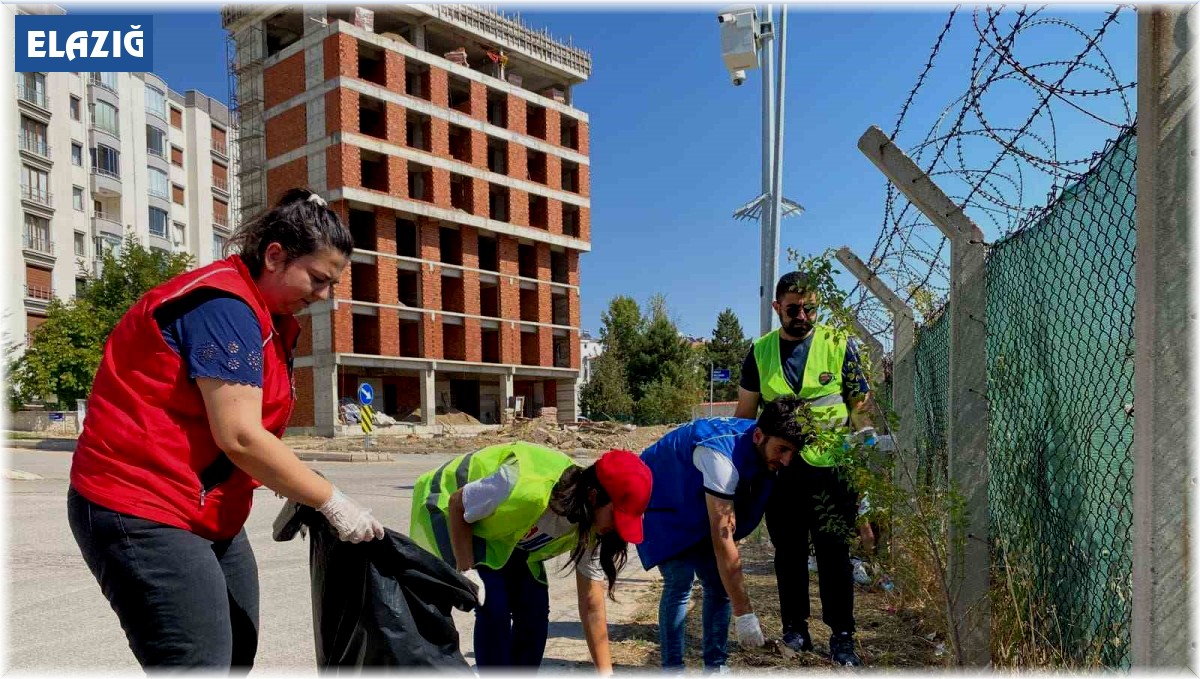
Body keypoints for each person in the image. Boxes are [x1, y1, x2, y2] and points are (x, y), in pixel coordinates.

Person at [68, 188, 387, 671]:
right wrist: (329, 499)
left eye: (331, 284)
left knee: (237, 649)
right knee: (198, 662)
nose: (323, 296)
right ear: (274, 255)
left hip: (203, 507)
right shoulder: (223, 306)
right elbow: (239, 436)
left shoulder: (266, 317)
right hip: (140, 504)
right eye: (318, 279)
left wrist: (297, 482)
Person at [409, 443, 652, 673]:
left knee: (534, 612)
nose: (617, 528)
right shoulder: (523, 486)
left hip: (507, 538)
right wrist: (466, 570)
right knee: (494, 606)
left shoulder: (593, 528)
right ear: (592, 496)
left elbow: (591, 605)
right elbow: (457, 504)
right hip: (449, 509)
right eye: (616, 516)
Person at [735, 270, 875, 666]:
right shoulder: (759, 352)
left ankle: (842, 635)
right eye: (793, 308)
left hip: (832, 471)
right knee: (789, 552)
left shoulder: (837, 343)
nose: (803, 315)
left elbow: (858, 404)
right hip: (781, 472)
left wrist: (862, 448)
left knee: (834, 553)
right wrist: (745, 470)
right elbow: (746, 414)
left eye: (810, 307)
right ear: (778, 308)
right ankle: (795, 629)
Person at [636, 396, 815, 672]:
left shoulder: (763, 445)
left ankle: (716, 667)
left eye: (792, 452)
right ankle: (672, 668)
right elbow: (723, 541)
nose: (787, 460)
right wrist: (745, 614)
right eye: (782, 450)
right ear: (758, 436)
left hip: (694, 496)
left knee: (719, 586)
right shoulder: (720, 456)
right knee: (679, 581)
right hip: (663, 496)